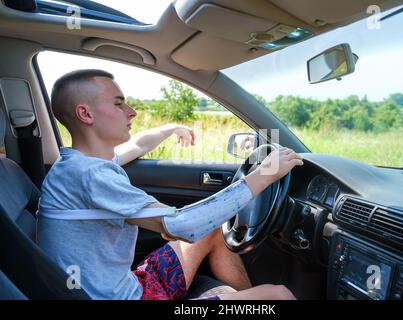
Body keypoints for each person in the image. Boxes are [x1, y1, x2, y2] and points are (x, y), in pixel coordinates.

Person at [36, 69, 303, 300]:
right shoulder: (91, 176)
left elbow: (138, 144)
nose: (132, 111)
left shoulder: (79, 163)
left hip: (128, 285)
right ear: (85, 113)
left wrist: (171, 128)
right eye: (119, 104)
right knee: (278, 295)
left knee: (212, 232)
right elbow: (181, 226)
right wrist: (264, 175)